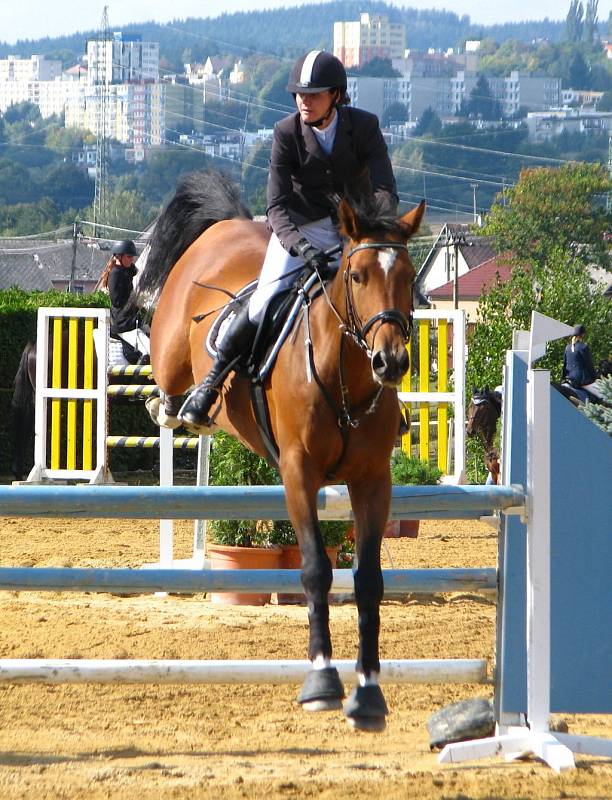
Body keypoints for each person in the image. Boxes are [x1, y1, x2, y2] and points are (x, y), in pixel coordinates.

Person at [179, 49, 398, 427]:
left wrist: (366, 226)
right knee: (265, 299)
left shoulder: (364, 126)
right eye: (299, 94)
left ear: (337, 96)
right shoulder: (285, 133)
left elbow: (385, 189)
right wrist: (302, 247)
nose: (304, 101)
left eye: (313, 94)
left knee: (383, 300)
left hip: (354, 228)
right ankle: (211, 385)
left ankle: (391, 400)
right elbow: (276, 205)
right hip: (300, 229)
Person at [96, 239, 150, 364]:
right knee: (147, 353)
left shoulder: (125, 271)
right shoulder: (115, 274)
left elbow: (135, 272)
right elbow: (117, 301)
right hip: (122, 322)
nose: (132, 259)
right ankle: (134, 382)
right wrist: (135, 301)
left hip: (130, 320)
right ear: (119, 256)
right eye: (129, 256)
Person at [561, 324, 602, 402]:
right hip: (581, 379)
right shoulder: (583, 347)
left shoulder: (567, 347)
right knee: (600, 395)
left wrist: (563, 378)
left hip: (568, 378)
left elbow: (565, 365)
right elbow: (589, 365)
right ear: (583, 335)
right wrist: (595, 378)